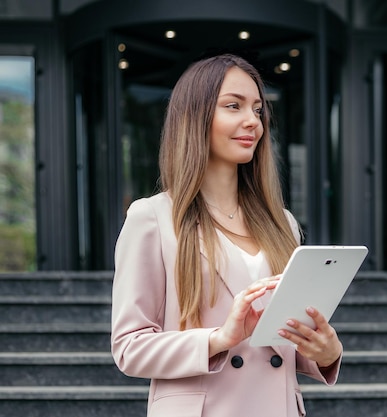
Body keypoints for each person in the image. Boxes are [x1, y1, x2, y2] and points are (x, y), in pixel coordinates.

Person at [111, 53, 343, 417]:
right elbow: (129, 347)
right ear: (195, 116)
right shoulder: (152, 217)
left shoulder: (281, 222)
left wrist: (325, 351)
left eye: (257, 109)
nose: (252, 121)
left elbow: (281, 342)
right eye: (233, 106)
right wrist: (219, 339)